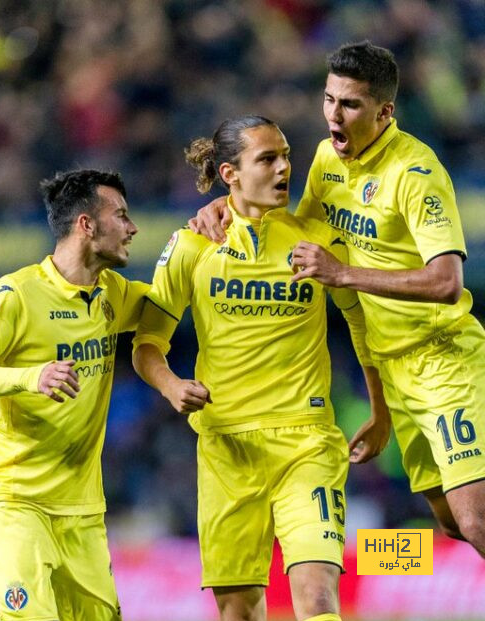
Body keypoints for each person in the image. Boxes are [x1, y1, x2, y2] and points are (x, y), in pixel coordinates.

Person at [190, 41, 485, 557]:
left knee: (476, 519)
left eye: (349, 105)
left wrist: (345, 273)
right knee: (452, 525)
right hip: (392, 371)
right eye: (329, 100)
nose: (334, 115)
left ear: (384, 111)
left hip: (444, 360)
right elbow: (298, 231)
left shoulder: (416, 173)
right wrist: (230, 202)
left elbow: (447, 282)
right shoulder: (328, 159)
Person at [133, 115, 390, 621]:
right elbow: (147, 344)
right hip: (227, 450)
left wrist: (380, 411)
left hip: (308, 442)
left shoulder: (317, 241)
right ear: (229, 172)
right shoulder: (191, 246)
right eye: (267, 159)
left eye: (287, 156)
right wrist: (170, 384)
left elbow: (362, 322)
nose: (283, 169)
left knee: (316, 592)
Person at [0, 169, 149, 621]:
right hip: (16, 500)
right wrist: (32, 376)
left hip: (83, 508)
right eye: (122, 215)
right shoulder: (14, 295)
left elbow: (178, 293)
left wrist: (207, 225)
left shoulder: (113, 294)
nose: (133, 228)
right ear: (87, 225)